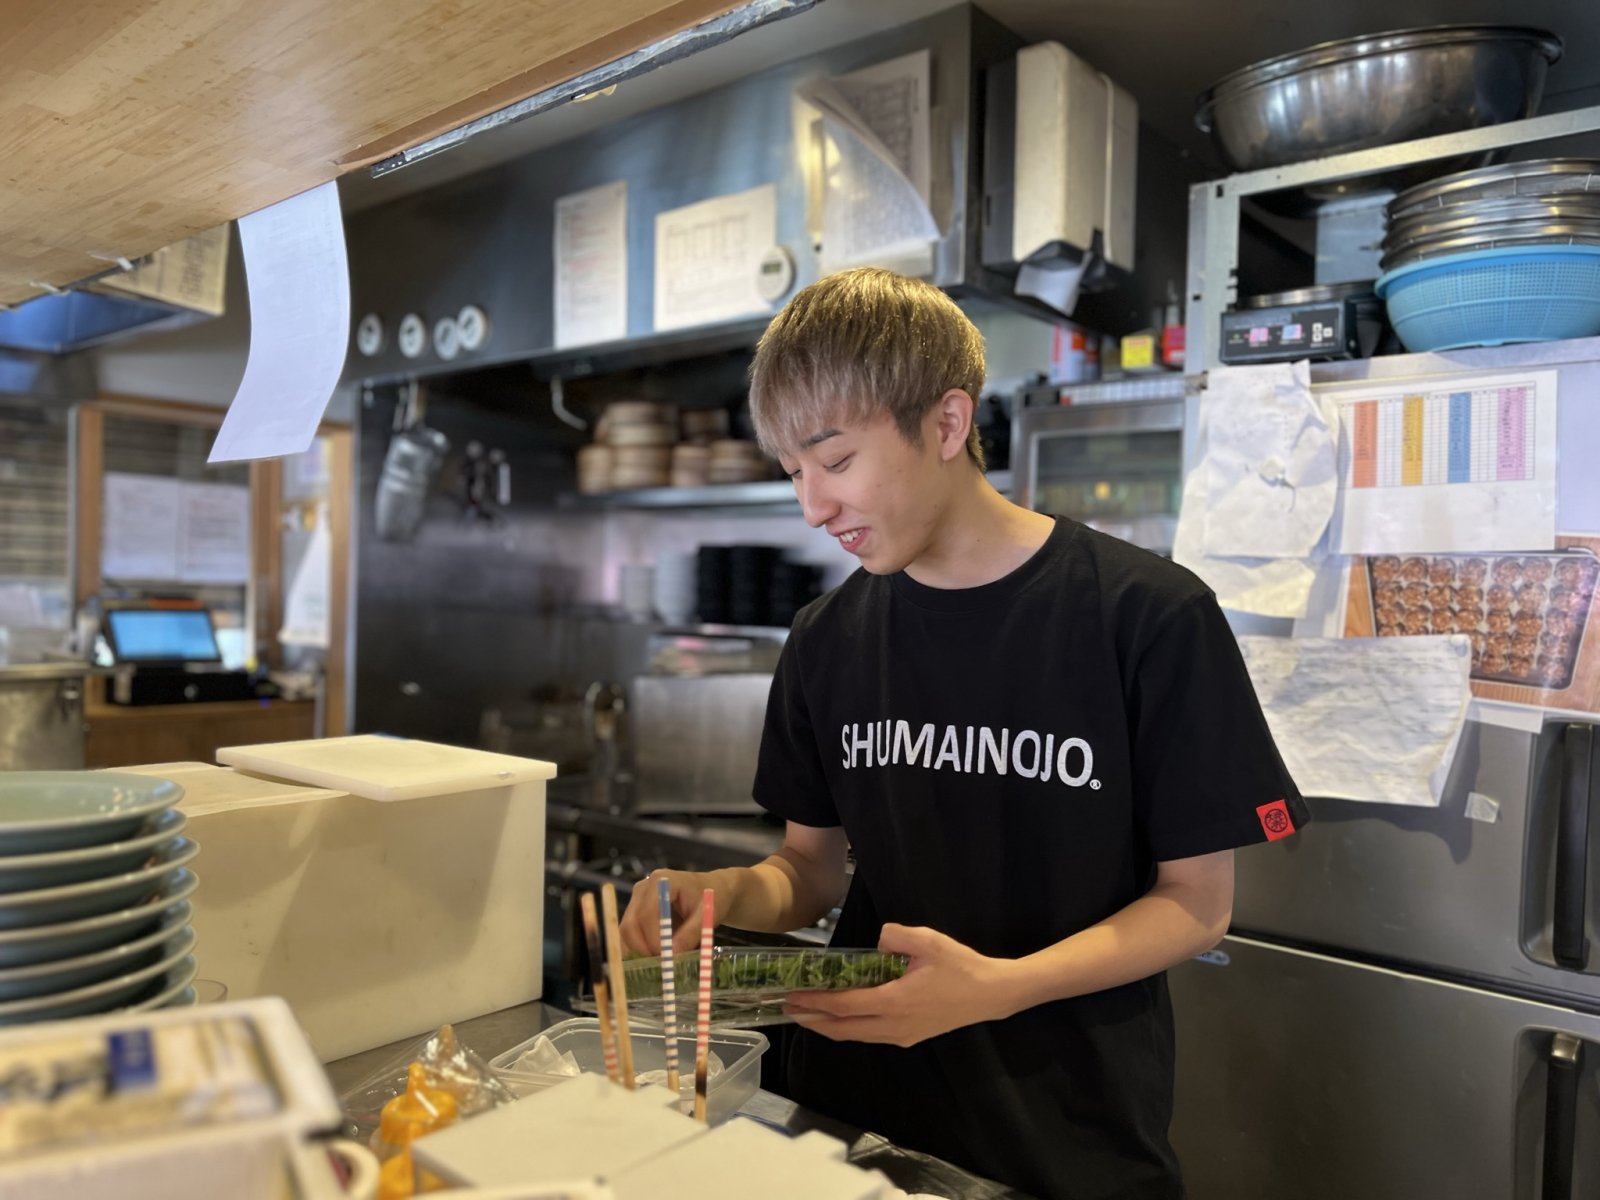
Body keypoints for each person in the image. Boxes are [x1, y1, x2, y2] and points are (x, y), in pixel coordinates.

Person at [621, 267, 1307, 1199]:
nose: (813, 508)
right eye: (793, 473)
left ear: (946, 425)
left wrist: (996, 987)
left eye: (835, 461)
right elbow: (808, 873)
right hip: (850, 1117)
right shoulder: (827, 639)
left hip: (1062, 1135)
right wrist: (720, 893)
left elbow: (1196, 904)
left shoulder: (1146, 615)